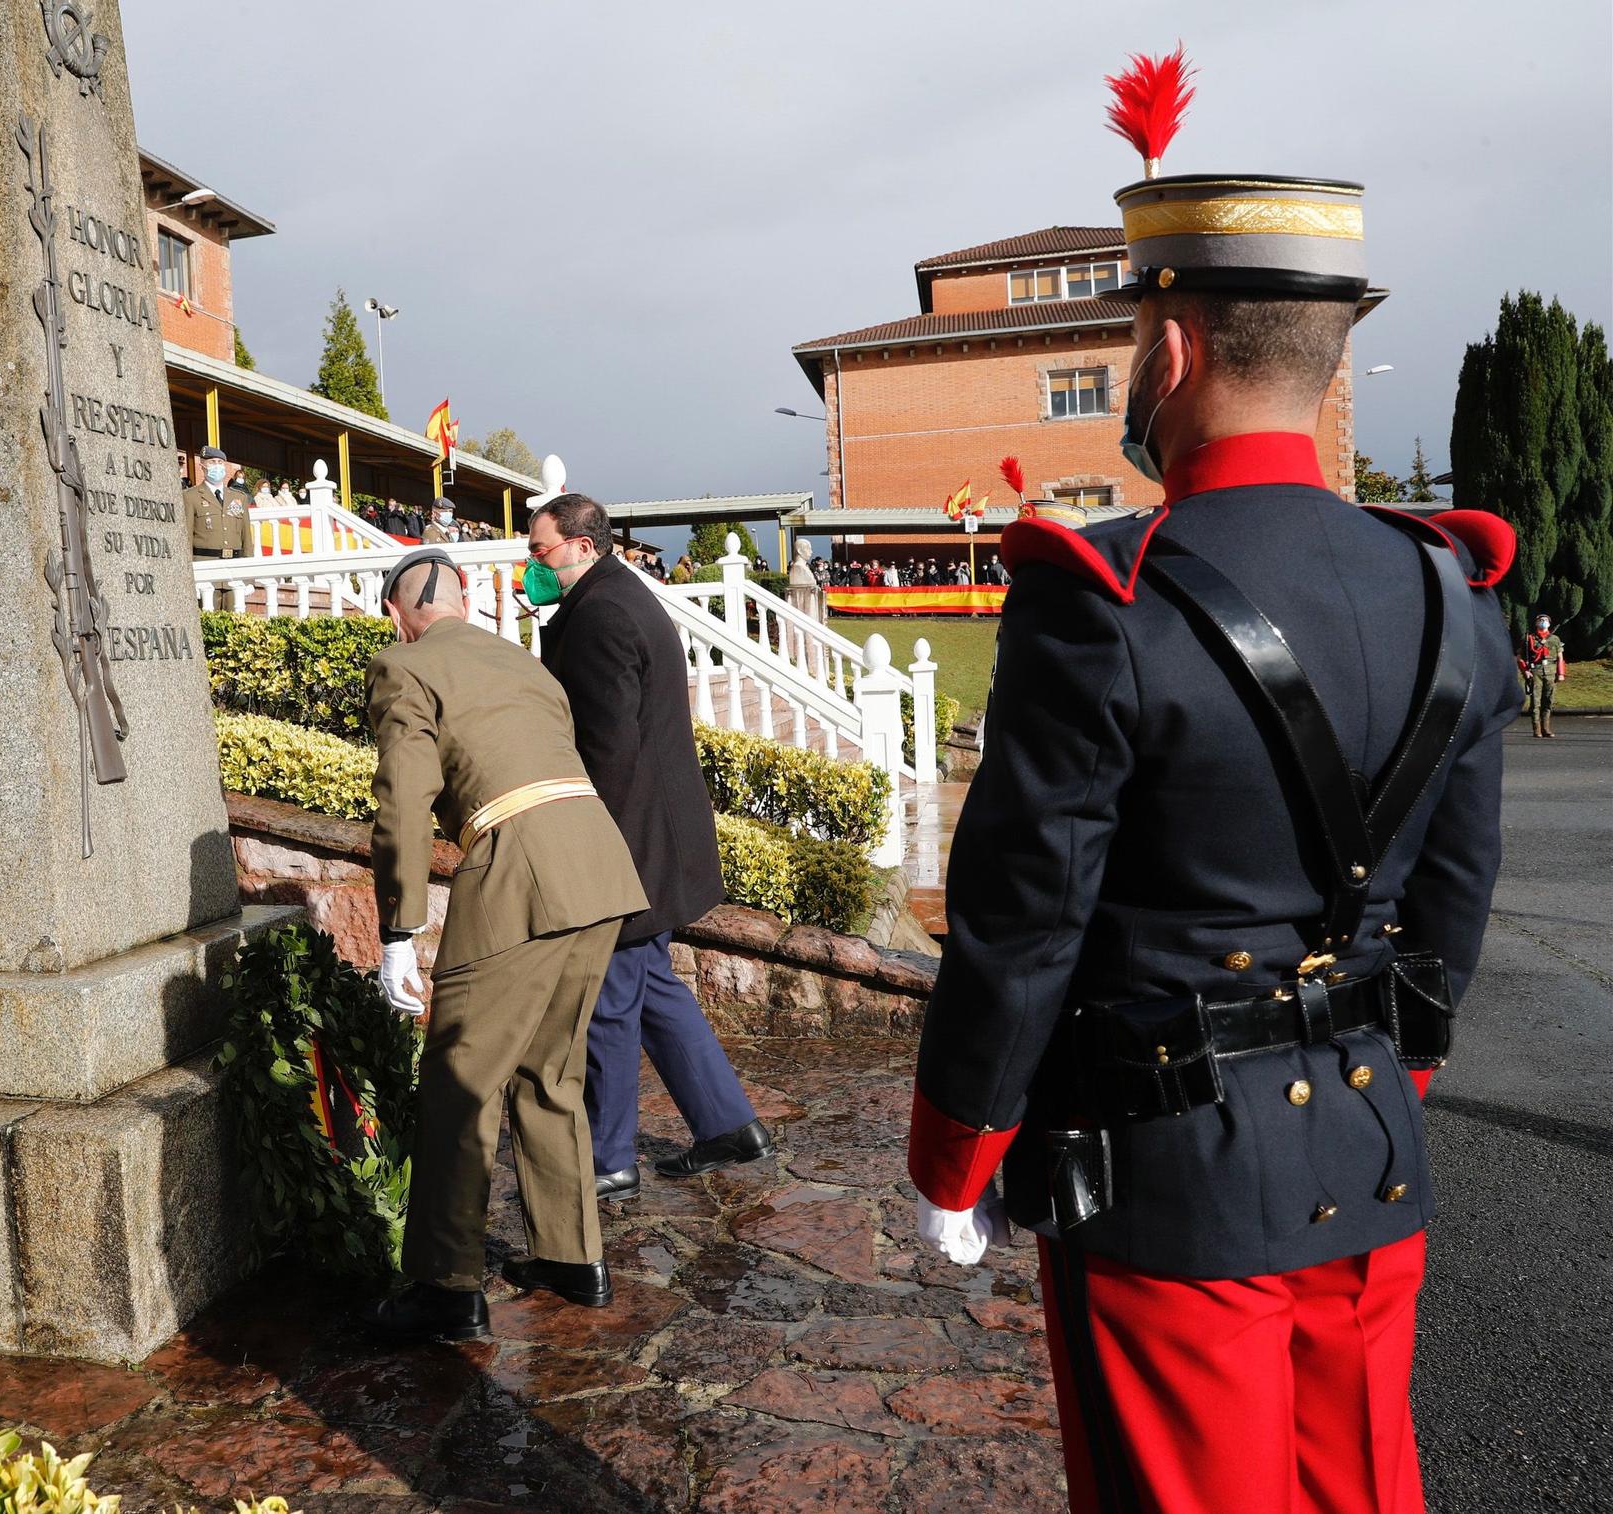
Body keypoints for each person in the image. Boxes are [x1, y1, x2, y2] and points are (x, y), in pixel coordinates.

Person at [905, 161, 1519, 1514]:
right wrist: (1382, 1063)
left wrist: (959, 1150)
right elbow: (1455, 902)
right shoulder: (1451, 587)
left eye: (1131, 344)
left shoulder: (1101, 600)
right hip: (1365, 1148)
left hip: (1165, 1176)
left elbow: (1022, 920)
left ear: (1171, 350)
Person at [365, 548, 648, 1341]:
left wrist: (398, 929)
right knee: (551, 1070)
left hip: (519, 875)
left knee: (461, 1076)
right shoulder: (525, 665)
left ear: (399, 611)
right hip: (598, 870)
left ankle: (445, 1287)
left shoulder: (404, 665)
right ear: (463, 599)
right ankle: (571, 1258)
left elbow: (404, 798)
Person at [527, 494, 772, 1203]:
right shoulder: (616, 593)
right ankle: (728, 1126)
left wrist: (584, 839)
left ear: (580, 545)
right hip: (653, 833)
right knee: (653, 988)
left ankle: (607, 1158)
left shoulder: (602, 613)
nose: (532, 567)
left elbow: (610, 747)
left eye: (540, 553)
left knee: (610, 996)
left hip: (630, 840)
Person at [185, 444, 252, 559]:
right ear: (202, 466)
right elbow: (187, 536)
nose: (217, 466)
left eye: (220, 462)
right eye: (212, 462)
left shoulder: (239, 497)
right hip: (205, 562)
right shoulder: (190, 496)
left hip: (234, 561)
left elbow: (246, 535)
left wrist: (249, 560)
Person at [1519, 612, 1566, 737]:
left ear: (1549, 624)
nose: (1543, 622)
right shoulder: (1529, 638)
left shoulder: (1555, 639)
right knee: (1535, 702)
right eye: (1540, 620)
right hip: (1536, 672)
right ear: (1536, 623)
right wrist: (1525, 671)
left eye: (1545, 620)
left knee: (1549, 700)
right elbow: (1520, 658)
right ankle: (1537, 729)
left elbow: (1560, 657)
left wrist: (1561, 673)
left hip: (1551, 672)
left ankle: (1546, 728)